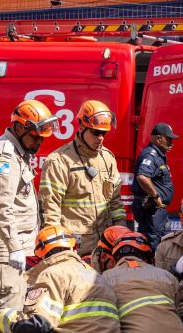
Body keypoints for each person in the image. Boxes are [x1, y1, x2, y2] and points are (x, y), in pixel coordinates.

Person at [0, 99, 59, 314]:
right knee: (4, 308)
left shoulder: (18, 152)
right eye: (35, 136)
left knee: (16, 306)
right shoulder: (6, 155)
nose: (39, 143)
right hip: (5, 249)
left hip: (16, 245)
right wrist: (14, 247)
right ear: (20, 128)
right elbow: (2, 208)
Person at [38, 100, 126, 259]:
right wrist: (57, 248)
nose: (100, 138)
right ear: (81, 127)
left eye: (104, 133)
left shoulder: (108, 158)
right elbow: (50, 207)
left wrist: (121, 232)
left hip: (105, 248)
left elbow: (115, 202)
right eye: (95, 132)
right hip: (74, 249)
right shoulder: (59, 160)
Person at [132, 123, 178, 250]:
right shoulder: (150, 155)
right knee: (151, 245)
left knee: (165, 243)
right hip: (151, 211)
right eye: (168, 140)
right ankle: (150, 269)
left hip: (158, 212)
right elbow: (142, 177)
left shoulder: (158, 155)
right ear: (158, 139)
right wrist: (155, 195)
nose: (171, 144)